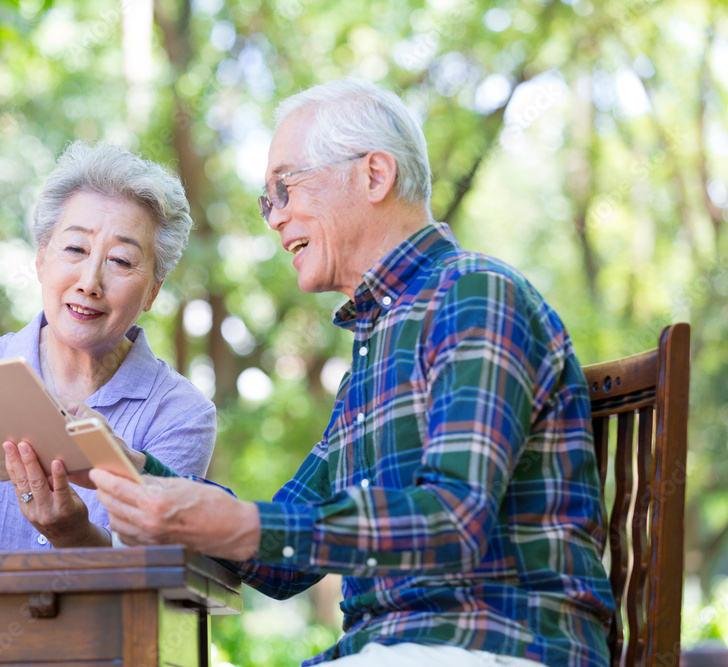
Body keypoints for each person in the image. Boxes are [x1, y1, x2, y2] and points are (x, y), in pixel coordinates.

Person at [89, 79, 615, 667]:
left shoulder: (473, 293)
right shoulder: (374, 346)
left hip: (495, 642)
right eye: (270, 200)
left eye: (285, 188)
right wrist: (139, 472)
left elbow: (454, 520)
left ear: (374, 175)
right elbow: (285, 563)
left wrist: (237, 523)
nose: (275, 218)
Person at [0, 141, 216, 552]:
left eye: (121, 261)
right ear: (41, 262)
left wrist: (78, 537)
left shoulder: (181, 414)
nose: (90, 282)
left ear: (153, 293)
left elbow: (151, 574)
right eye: (75, 248)